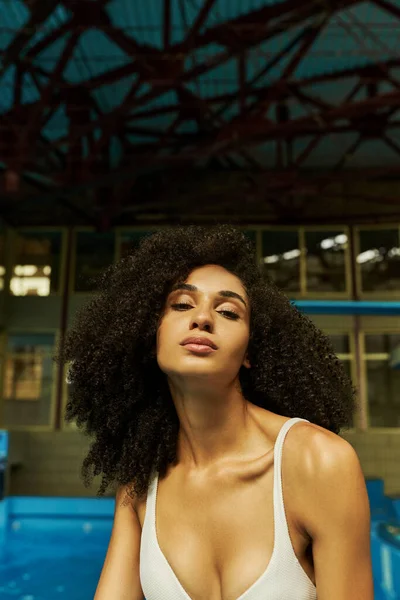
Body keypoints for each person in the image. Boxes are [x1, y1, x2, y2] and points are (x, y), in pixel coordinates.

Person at [57, 224, 374, 600]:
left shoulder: (318, 463)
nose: (203, 318)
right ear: (148, 333)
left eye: (228, 311)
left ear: (251, 352)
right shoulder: (141, 481)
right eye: (181, 304)